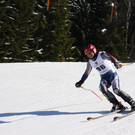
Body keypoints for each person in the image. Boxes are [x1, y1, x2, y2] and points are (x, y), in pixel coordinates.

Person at [75, 44, 135, 112]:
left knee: (116, 90)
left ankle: (132, 102)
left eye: (89, 52)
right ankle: (117, 104)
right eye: (86, 53)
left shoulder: (101, 55)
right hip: (104, 78)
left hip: (112, 74)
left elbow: (111, 57)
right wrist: (81, 81)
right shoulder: (90, 62)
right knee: (102, 88)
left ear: (94, 50)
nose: (88, 54)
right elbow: (86, 73)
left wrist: (116, 62)